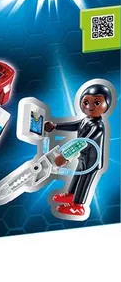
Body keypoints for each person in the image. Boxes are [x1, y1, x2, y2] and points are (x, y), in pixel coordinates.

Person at [44, 83, 113, 217]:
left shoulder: (98, 126)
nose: (90, 106)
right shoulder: (86, 120)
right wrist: (55, 126)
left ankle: (78, 206)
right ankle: (71, 195)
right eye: (86, 102)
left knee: (84, 182)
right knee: (77, 176)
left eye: (97, 102)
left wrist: (65, 156)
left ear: (106, 105)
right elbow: (74, 125)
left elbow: (84, 142)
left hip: (92, 161)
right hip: (83, 158)